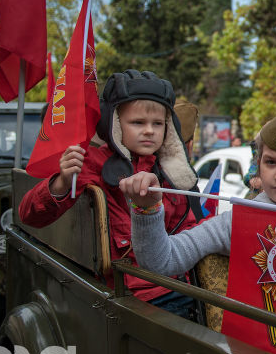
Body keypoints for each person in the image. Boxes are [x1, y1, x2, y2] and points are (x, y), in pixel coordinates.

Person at [19, 70, 201, 315]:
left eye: (158, 124)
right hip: (129, 296)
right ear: (114, 123)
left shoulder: (170, 172)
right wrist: (62, 182)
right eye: (138, 122)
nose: (149, 131)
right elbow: (30, 215)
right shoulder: (91, 164)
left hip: (178, 285)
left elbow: (187, 228)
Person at [120, 104, 276, 276]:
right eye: (270, 162)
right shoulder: (238, 220)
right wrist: (146, 209)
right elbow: (162, 261)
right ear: (258, 165)